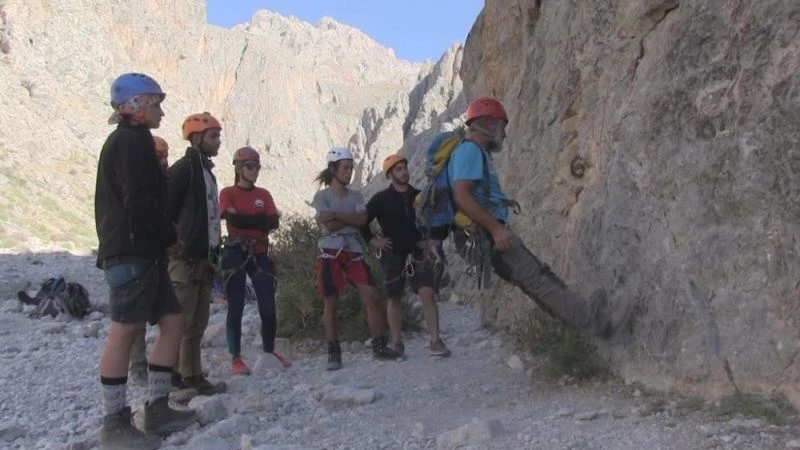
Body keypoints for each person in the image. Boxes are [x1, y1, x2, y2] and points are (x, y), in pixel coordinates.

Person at [447, 97, 622, 338]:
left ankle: (578, 325)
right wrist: (496, 230)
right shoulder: (469, 151)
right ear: (486, 124)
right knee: (536, 279)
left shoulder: (476, 152)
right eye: (501, 126)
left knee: (536, 278)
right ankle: (594, 323)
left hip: (484, 232)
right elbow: (462, 197)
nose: (504, 134)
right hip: (485, 234)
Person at [95, 72, 196, 449]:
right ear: (136, 107)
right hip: (131, 251)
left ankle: (157, 406)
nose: (161, 111)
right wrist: (170, 239)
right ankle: (114, 423)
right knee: (125, 330)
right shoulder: (129, 142)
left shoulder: (135, 140)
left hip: (144, 253)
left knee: (173, 321)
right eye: (155, 103)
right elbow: (138, 202)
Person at [312, 147, 401, 370]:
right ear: (333, 170)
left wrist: (337, 215)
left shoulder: (356, 196)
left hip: (353, 251)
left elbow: (362, 220)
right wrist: (349, 219)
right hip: (330, 253)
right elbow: (330, 224)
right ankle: (334, 352)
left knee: (372, 296)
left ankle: (379, 346)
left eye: (351, 168)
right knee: (331, 302)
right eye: (345, 168)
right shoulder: (322, 196)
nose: (349, 172)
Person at [361, 154, 451, 358]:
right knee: (394, 297)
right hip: (393, 253)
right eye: (399, 169)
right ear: (390, 174)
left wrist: (431, 240)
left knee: (427, 293)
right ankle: (396, 342)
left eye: (405, 168)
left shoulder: (419, 196)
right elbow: (362, 221)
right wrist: (374, 241)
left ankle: (435, 341)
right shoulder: (381, 199)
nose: (404, 172)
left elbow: (438, 219)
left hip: (418, 252)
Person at [166, 112, 226, 395]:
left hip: (204, 257)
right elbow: (166, 210)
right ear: (197, 138)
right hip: (186, 258)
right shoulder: (185, 169)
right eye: (214, 136)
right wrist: (175, 243)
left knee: (198, 321)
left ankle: (189, 373)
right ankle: (177, 375)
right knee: (183, 320)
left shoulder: (205, 171)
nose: (218, 142)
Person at [219, 146, 290, 375]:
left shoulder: (264, 194)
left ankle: (269, 349)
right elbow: (231, 217)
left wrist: (247, 222)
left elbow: (273, 223)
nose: (255, 171)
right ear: (239, 168)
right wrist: (259, 221)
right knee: (236, 304)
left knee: (268, 306)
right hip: (235, 251)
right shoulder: (227, 193)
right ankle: (236, 356)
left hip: (259, 252)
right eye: (250, 166)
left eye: (257, 166)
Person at [129, 135, 171, 388]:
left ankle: (161, 367)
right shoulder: (140, 185)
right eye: (159, 156)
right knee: (136, 316)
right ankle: (138, 365)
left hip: (158, 255)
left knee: (168, 314)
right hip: (139, 255)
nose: (164, 161)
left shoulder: (164, 182)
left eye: (166, 156)